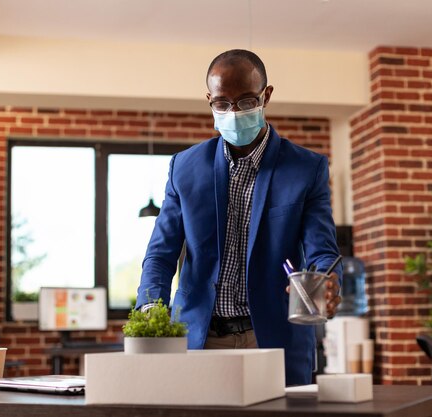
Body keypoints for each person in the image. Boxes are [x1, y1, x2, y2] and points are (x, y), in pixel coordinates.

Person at [136, 49, 342, 386]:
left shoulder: (306, 169)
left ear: (266, 96)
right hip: (198, 339)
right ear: (210, 101)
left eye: (246, 101)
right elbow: (160, 254)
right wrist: (151, 311)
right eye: (222, 103)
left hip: (273, 338)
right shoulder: (185, 168)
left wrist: (326, 283)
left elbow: (322, 251)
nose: (233, 112)